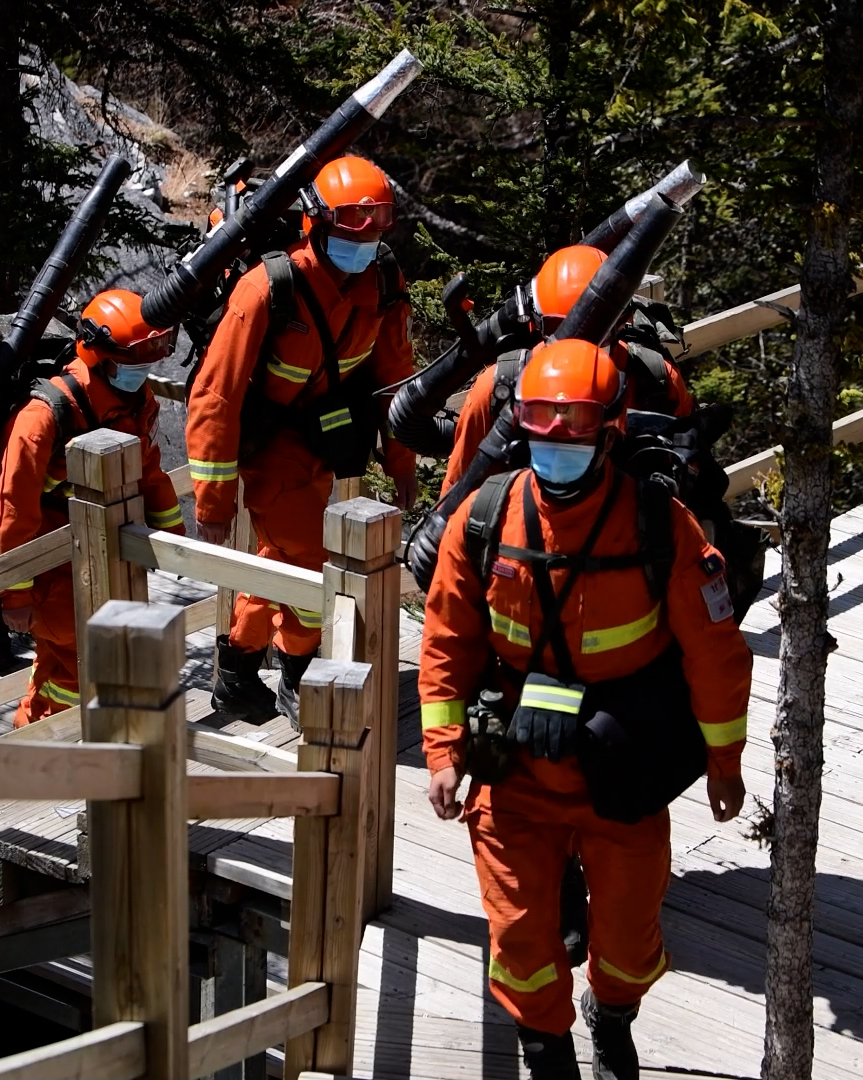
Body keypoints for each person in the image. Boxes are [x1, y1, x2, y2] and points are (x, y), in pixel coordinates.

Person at [416, 339, 751, 1080]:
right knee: (522, 937)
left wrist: (724, 764)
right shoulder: (485, 518)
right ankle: (547, 1051)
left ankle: (614, 1010)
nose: (558, 438)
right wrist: (444, 752)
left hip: (621, 757)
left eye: (576, 423)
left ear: (611, 428)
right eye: (543, 420)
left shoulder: (661, 527)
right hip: (512, 753)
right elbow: (446, 642)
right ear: (521, 423)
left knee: (628, 941)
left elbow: (716, 654)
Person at [189, 154, 418, 723]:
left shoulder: (384, 280)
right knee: (314, 562)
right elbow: (214, 397)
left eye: (377, 224)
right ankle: (298, 671)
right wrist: (213, 503)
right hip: (269, 449)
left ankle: (237, 674)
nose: (364, 239)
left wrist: (402, 461)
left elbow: (397, 377)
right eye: (350, 225)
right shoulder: (267, 289)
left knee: (278, 556)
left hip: (324, 436)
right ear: (316, 221)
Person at [0, 289, 186, 725]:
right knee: (86, 659)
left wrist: (174, 540)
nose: (142, 371)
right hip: (51, 567)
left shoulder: (135, 399)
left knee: (68, 663)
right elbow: (11, 508)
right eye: (133, 361)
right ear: (98, 353)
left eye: (149, 358)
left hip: (101, 558)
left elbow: (147, 469)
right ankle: (52, 746)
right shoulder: (43, 416)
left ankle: (39, 740)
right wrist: (14, 592)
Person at [442, 244, 694, 497]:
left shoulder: (656, 381)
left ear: (623, 321)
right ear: (537, 324)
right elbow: (457, 497)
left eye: (597, 330)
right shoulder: (497, 389)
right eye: (562, 328)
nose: (578, 343)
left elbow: (692, 483)